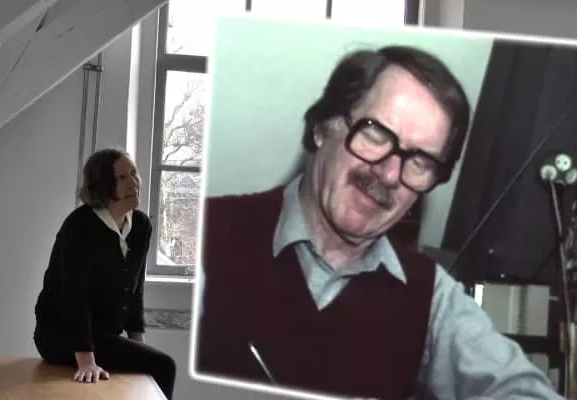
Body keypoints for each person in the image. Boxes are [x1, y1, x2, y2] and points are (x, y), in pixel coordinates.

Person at [195, 46, 564, 400]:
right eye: (375, 133)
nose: (389, 175)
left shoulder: (433, 296)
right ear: (322, 128)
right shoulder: (204, 234)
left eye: (419, 161)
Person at [33, 148, 176, 399]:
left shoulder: (141, 226)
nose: (133, 183)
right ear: (102, 185)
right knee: (164, 366)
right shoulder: (80, 226)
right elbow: (73, 296)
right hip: (60, 336)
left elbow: (135, 290)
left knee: (152, 366)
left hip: (103, 336)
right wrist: (86, 361)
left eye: (134, 173)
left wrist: (137, 346)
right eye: (121, 178)